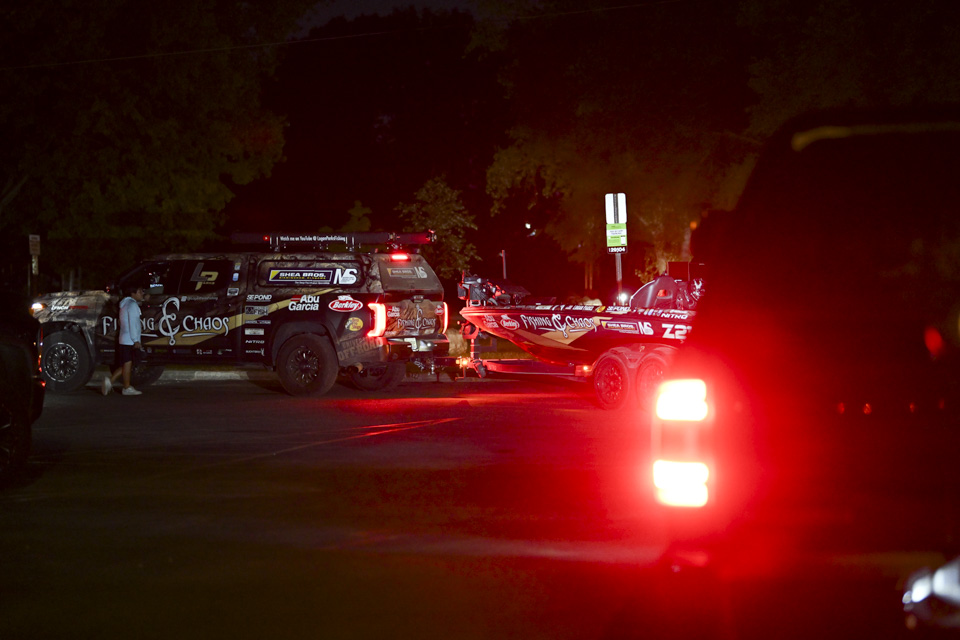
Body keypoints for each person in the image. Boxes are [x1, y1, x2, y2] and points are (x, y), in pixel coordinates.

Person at [101, 284, 146, 396]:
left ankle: (110, 382)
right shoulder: (132, 305)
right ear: (133, 293)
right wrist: (136, 340)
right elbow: (133, 324)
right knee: (127, 364)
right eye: (140, 291)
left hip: (124, 338)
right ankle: (126, 387)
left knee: (127, 365)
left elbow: (121, 322)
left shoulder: (124, 304)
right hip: (129, 340)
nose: (142, 293)